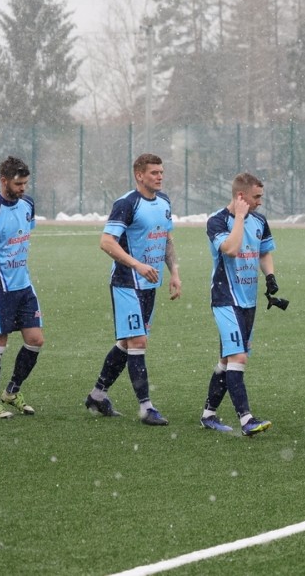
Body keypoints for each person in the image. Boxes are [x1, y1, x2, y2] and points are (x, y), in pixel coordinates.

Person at [85, 153, 182, 425]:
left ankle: (97, 396)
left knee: (126, 344)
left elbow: (167, 238)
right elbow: (106, 242)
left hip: (150, 285)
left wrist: (174, 272)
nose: (160, 176)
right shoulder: (127, 203)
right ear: (139, 175)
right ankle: (146, 408)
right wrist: (137, 265)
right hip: (126, 282)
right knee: (138, 342)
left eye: (161, 172)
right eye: (154, 172)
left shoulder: (164, 202)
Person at [200, 173, 277, 437]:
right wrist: (241, 218)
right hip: (225, 299)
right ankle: (246, 420)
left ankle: (208, 415)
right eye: (256, 197)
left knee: (226, 359)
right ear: (241, 196)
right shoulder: (217, 221)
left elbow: (264, 252)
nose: (260, 202)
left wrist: (270, 277)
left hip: (248, 301)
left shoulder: (260, 221)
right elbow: (231, 249)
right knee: (238, 357)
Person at [0, 157, 44, 419]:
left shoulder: (28, 204)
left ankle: (11, 392)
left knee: (35, 340)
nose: (23, 188)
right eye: (18, 184)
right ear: (3, 181)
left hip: (24, 285)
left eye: (25, 183)